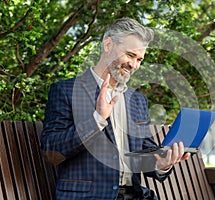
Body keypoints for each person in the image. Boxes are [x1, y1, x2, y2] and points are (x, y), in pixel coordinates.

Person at [41, 17, 190, 200]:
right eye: (130, 55)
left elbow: (145, 153)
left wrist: (162, 163)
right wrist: (97, 120)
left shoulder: (137, 101)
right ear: (108, 45)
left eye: (139, 59)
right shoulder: (66, 91)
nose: (134, 65)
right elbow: (51, 152)